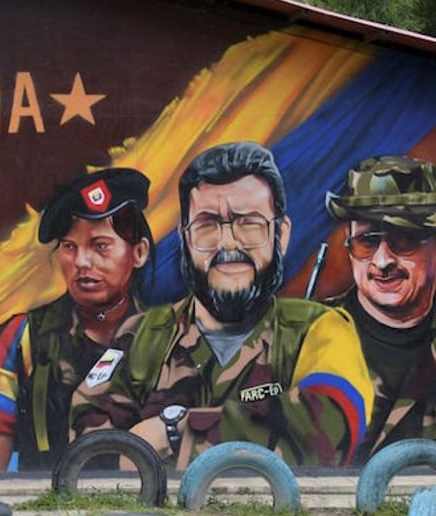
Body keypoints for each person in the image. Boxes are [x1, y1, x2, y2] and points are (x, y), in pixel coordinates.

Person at [70, 142, 374, 469]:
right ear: (186, 239)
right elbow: (87, 446)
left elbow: (329, 426)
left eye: (249, 223)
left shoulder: (320, 329)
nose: (228, 243)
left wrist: (173, 434)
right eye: (207, 225)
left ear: (281, 235)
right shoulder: (143, 334)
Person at [0, 167, 156, 472]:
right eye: (69, 247)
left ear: (139, 252)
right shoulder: (20, 337)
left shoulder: (171, 336)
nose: (81, 262)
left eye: (100, 245)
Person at [325, 155, 436, 463]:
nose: (383, 261)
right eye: (367, 242)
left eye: (404, 240)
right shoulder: (302, 340)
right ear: (348, 245)